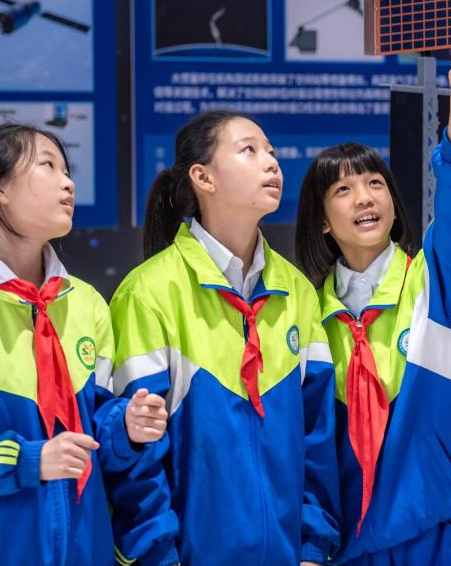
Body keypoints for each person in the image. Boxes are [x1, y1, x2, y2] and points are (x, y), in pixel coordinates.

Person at [0, 123, 178, 566]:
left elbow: (96, 433)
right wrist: (27, 461)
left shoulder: (86, 305)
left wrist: (127, 428)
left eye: (68, 171)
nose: (68, 183)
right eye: (48, 166)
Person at [294, 10, 451, 565]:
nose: (365, 197)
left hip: (439, 527)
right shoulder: (306, 316)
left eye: (375, 182)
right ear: (322, 220)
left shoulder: (435, 281)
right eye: (343, 190)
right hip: (351, 539)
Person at [110, 111, 340, 566]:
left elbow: (318, 434)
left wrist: (314, 547)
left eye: (271, 152)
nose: (272, 163)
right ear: (203, 178)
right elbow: (138, 455)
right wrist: (159, 556)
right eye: (249, 150)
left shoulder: (296, 291)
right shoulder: (148, 293)